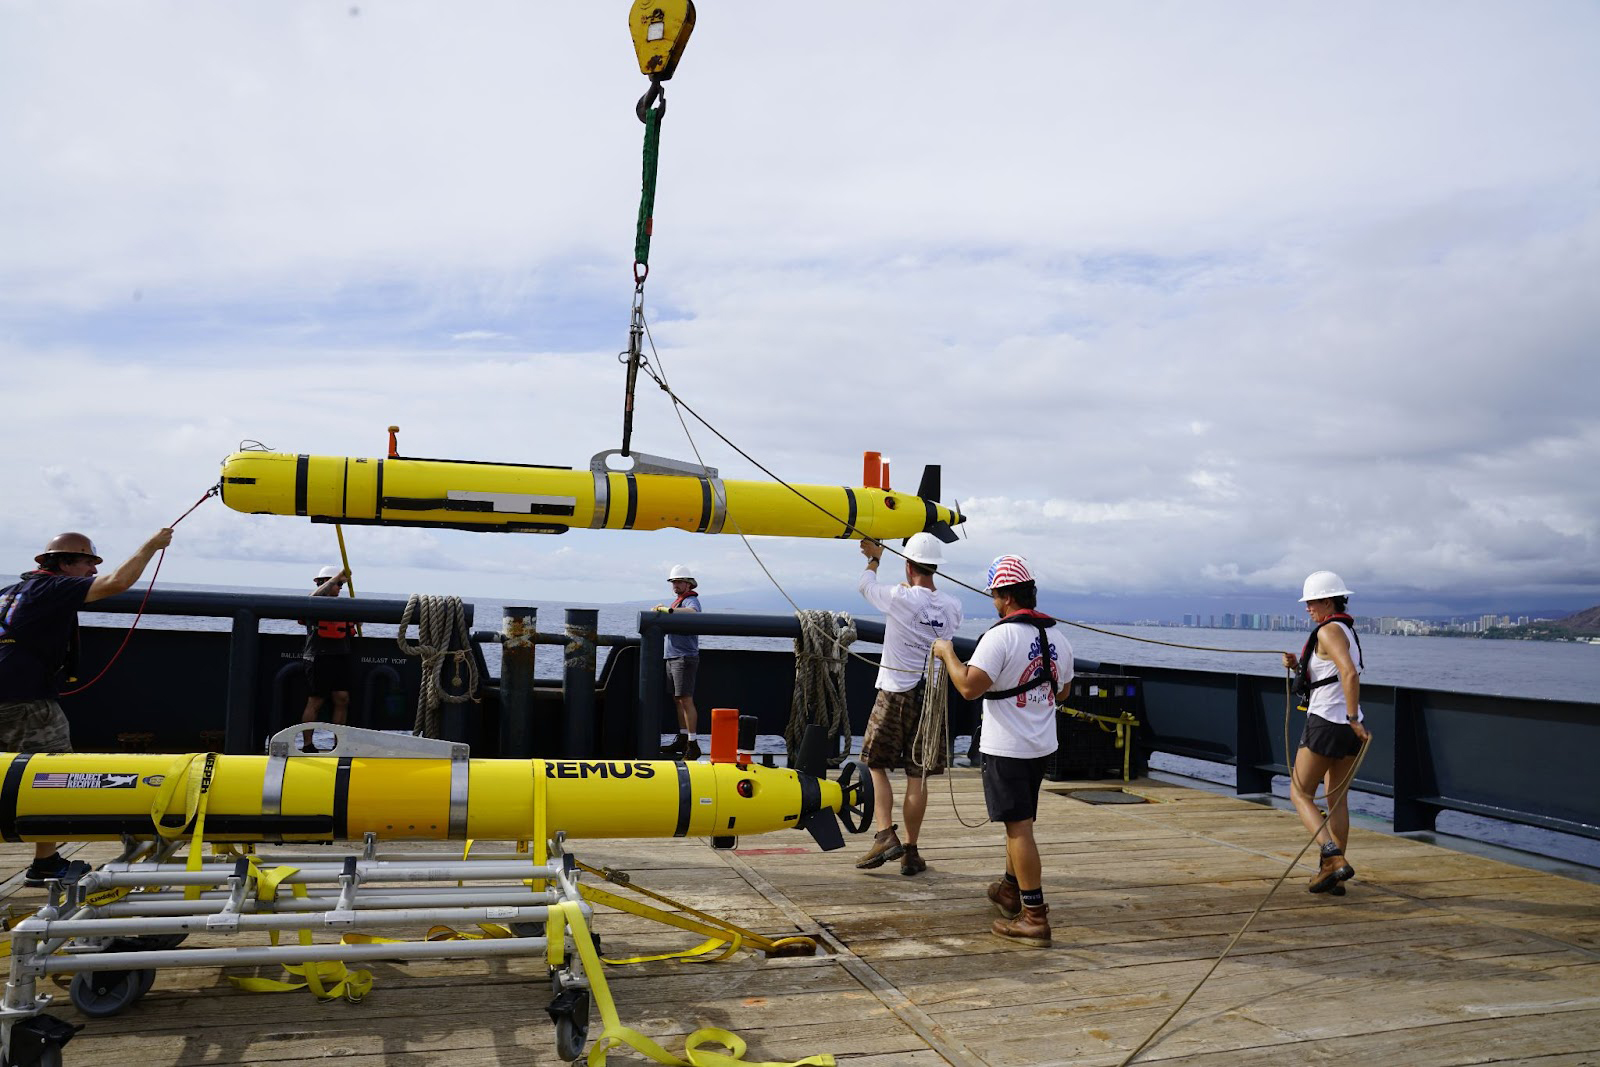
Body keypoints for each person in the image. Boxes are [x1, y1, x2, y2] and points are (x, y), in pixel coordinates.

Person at [0, 528, 174, 885]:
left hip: (10, 692)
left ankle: (47, 860)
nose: (92, 571)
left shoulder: (10, 593)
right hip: (24, 701)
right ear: (63, 564)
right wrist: (151, 546)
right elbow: (116, 582)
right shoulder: (53, 588)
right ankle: (46, 863)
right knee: (49, 777)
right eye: (87, 563)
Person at [932, 554, 1072, 948]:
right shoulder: (1057, 638)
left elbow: (968, 686)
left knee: (1018, 829)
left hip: (1008, 747)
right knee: (1020, 822)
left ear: (1006, 596)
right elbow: (1062, 691)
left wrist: (946, 653)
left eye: (994, 594)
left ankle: (1034, 917)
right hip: (1041, 745)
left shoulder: (1000, 636)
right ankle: (1010, 891)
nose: (993, 600)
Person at [853, 533, 963, 877]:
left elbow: (865, 585)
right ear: (935, 568)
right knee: (918, 775)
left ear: (908, 564)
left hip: (896, 690)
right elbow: (930, 611)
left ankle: (886, 833)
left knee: (874, 762)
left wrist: (874, 557)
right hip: (930, 696)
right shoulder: (953, 606)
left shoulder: (899, 598)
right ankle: (911, 852)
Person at [1281, 570, 1369, 896]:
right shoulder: (1345, 629)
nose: (1308, 609)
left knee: (1299, 793)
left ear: (1328, 601)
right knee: (1336, 799)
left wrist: (1350, 716)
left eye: (1312, 602)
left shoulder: (1328, 630)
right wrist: (1295, 664)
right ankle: (1334, 876)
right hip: (1348, 728)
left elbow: (1347, 673)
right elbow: (1331, 672)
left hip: (1329, 722)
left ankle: (1331, 857)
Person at [300, 565, 354, 753]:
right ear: (325, 583)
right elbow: (312, 599)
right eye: (338, 584)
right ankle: (307, 744)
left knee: (342, 698)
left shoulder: (346, 606)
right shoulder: (313, 602)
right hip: (318, 657)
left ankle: (337, 744)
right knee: (316, 701)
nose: (340, 588)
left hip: (340, 656)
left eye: (342, 584)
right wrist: (337, 576)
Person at [656, 564, 702, 759]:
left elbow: (694, 613)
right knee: (678, 699)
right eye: (673, 582)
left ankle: (693, 744)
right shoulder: (678, 602)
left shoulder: (690, 601)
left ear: (688, 584)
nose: (675, 585)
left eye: (678, 581)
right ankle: (683, 739)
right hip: (673, 656)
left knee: (685, 699)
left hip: (684, 657)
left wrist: (668, 611)